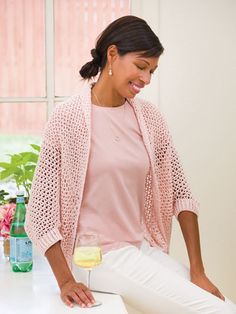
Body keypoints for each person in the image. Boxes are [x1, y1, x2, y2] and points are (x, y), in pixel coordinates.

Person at [25, 15, 236, 314]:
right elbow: (41, 216)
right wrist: (65, 280)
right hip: (95, 260)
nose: (146, 79)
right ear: (112, 54)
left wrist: (197, 271)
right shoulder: (67, 119)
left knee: (224, 306)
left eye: (152, 71)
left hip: (140, 249)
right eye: (141, 66)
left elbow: (182, 196)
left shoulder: (149, 119)